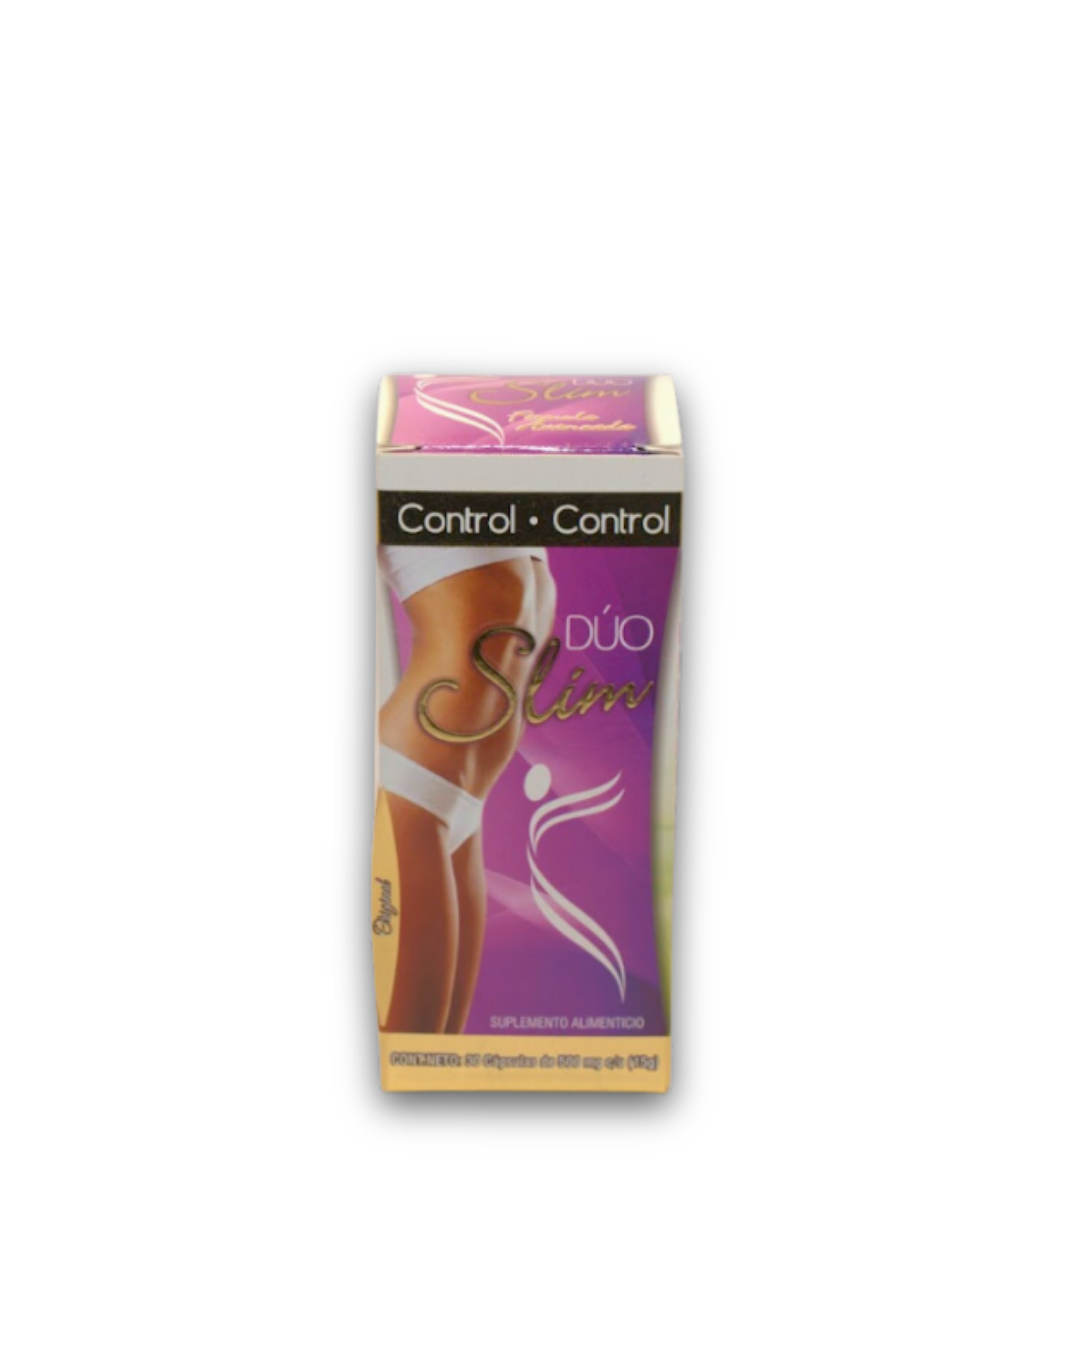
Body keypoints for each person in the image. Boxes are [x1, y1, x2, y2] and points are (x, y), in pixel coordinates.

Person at [377, 545, 556, 1033]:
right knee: (413, 1051)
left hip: (465, 804)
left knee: (443, 1054)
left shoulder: (515, 499)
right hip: (408, 786)